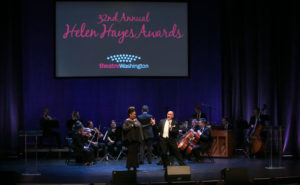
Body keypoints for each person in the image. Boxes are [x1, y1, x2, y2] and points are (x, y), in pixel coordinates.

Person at [122, 107, 143, 171]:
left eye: (135, 114)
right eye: (134, 114)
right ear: (130, 114)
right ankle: (129, 167)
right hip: (130, 141)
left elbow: (139, 126)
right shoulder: (127, 121)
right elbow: (124, 129)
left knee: (135, 154)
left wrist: (137, 125)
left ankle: (135, 167)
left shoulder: (136, 120)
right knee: (130, 154)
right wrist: (132, 125)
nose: (135, 115)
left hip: (136, 140)